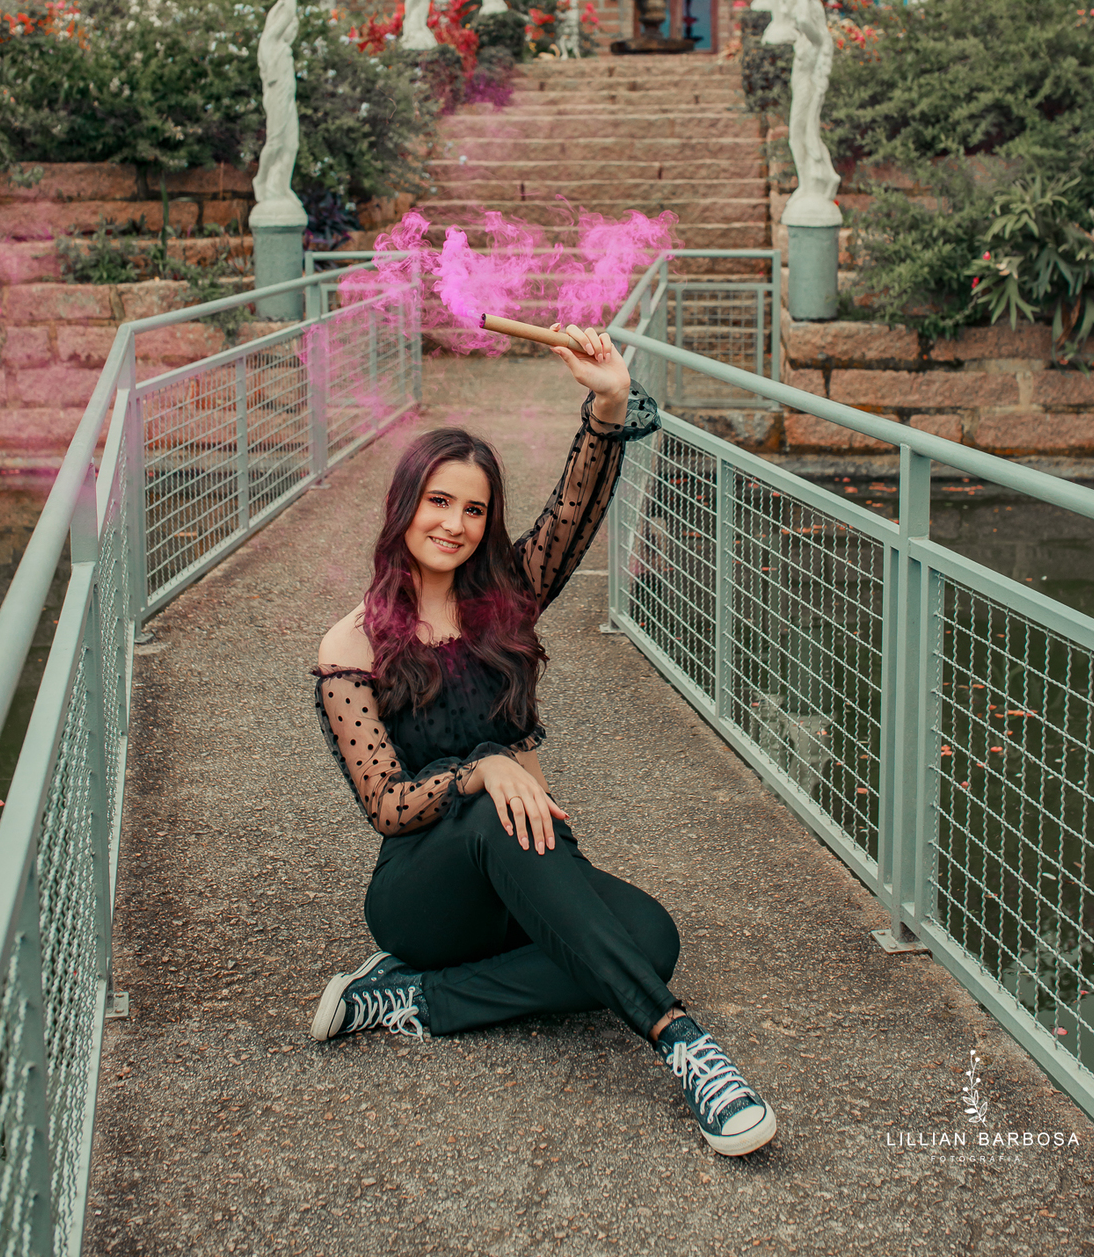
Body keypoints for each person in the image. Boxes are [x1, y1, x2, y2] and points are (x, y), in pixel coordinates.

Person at [310, 323, 777, 1158]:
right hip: (426, 894)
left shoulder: (507, 599)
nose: (453, 523)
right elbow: (385, 805)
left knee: (652, 939)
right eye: (438, 501)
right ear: (404, 506)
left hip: (522, 865)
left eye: (474, 509)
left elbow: (573, 508)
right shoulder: (352, 647)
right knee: (493, 812)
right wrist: (480, 770)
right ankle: (687, 1048)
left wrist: (606, 399)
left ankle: (413, 1004)